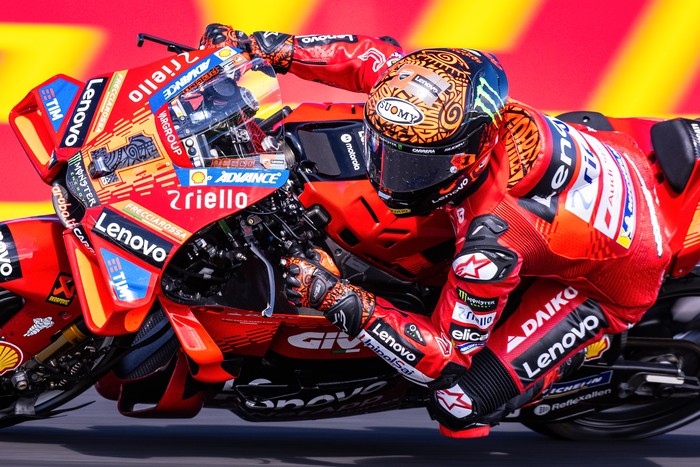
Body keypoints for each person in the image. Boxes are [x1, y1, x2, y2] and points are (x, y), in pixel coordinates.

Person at [200, 24, 671, 437]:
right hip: (615, 154)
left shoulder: (491, 245)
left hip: (610, 279)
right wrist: (262, 47)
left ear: (469, 155)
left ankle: (579, 357)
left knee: (458, 401)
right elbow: (368, 58)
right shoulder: (449, 99)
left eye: (410, 166)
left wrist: (336, 296)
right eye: (384, 149)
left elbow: (445, 358)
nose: (387, 173)